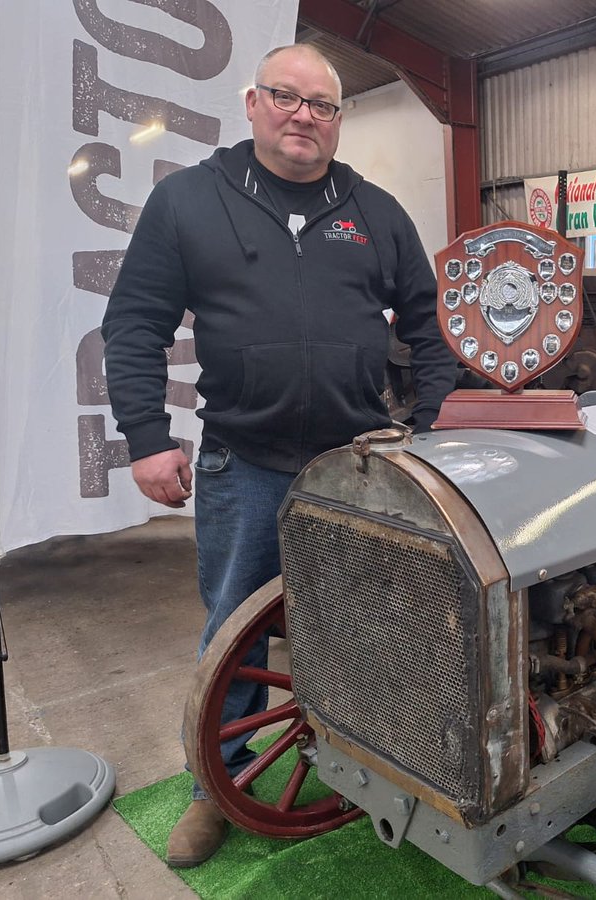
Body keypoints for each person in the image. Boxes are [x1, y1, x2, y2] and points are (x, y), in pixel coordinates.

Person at [102, 44, 456, 867]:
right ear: (253, 103)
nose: (304, 115)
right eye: (287, 98)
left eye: (322, 105)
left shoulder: (377, 211)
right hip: (243, 463)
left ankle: (379, 762)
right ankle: (211, 789)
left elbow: (430, 325)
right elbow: (135, 326)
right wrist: (147, 441)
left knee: (377, 626)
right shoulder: (188, 203)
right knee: (234, 635)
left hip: (360, 463)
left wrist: (431, 427)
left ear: (339, 119)